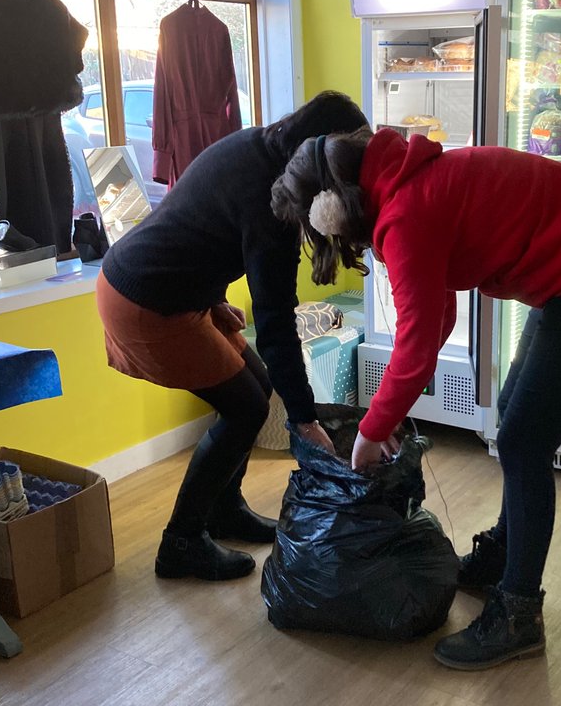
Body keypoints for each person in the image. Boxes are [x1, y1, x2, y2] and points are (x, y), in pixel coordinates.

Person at [270, 126, 561, 669]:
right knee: (515, 422)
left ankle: (519, 614)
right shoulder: (403, 186)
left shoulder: (405, 214)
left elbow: (415, 346)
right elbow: (436, 316)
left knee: (523, 443)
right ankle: (503, 557)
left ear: (330, 210)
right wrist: (390, 414)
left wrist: (371, 431)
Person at [96, 92, 369, 582]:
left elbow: (200, 223)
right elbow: (276, 320)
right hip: (145, 301)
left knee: (256, 388)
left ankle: (224, 510)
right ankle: (181, 541)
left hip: (164, 286)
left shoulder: (256, 146)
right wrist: (304, 420)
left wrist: (211, 294)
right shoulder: (273, 200)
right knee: (245, 407)